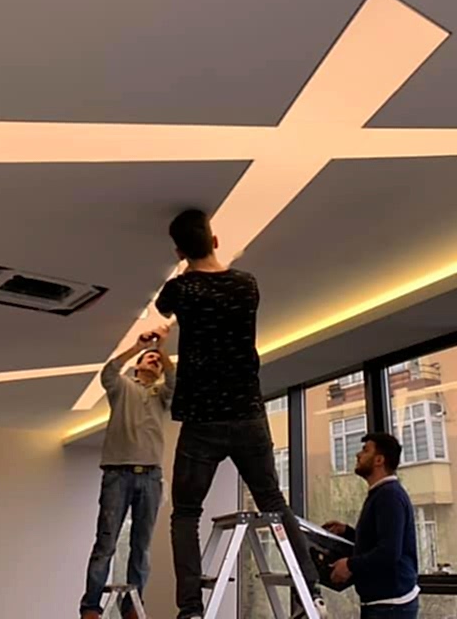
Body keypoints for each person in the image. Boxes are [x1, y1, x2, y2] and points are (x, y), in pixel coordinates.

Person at [154, 208, 326, 619]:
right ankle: (310, 592)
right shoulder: (247, 284)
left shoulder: (181, 289)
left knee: (186, 514)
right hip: (248, 413)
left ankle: (191, 610)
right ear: (214, 241)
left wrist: (184, 266)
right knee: (274, 501)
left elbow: (163, 307)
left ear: (179, 252)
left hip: (201, 421)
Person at [79, 331, 175, 619]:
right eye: (149, 358)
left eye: (157, 360)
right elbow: (108, 372)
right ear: (136, 366)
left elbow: (176, 382)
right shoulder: (122, 387)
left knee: (141, 545)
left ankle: (132, 605)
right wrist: (138, 347)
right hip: (118, 474)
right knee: (106, 542)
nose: (154, 360)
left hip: (151, 476)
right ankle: (91, 606)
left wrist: (162, 350)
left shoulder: (161, 395)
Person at [323, 432, 420, 619]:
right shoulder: (382, 494)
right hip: (384, 604)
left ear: (379, 460)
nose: (358, 455)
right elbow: (380, 541)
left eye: (365, 450)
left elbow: (388, 552)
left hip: (390, 607)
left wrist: (350, 565)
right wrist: (347, 532)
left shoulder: (389, 496)